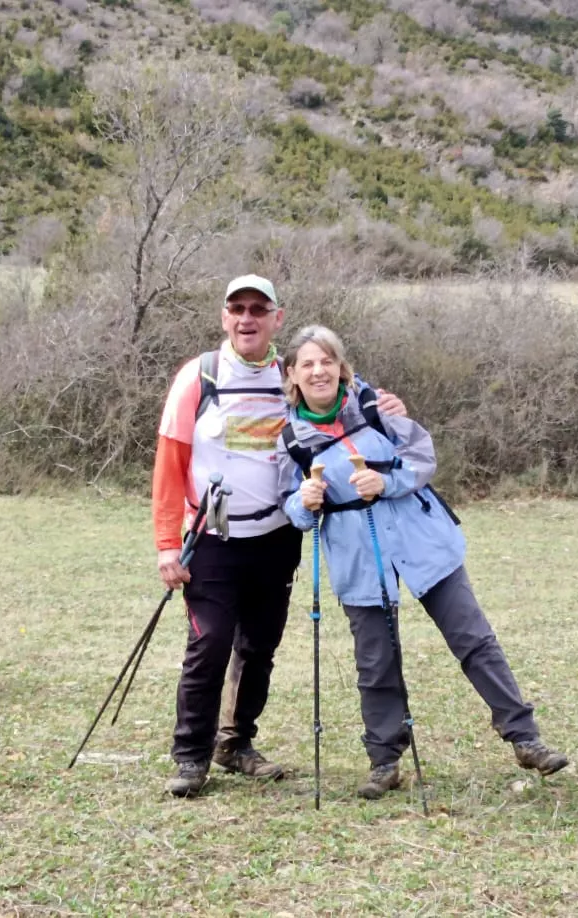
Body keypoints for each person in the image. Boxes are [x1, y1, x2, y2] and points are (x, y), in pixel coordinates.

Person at [277, 325, 570, 799]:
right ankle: (384, 760)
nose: (318, 371)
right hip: (357, 556)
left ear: (340, 367)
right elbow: (289, 507)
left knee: (473, 638)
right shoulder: (291, 438)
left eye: (327, 361)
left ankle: (525, 738)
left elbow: (421, 457)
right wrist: (303, 502)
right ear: (292, 374)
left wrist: (386, 483)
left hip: (422, 541)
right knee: (375, 662)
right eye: (307, 364)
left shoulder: (375, 407)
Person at [148, 274, 410, 798]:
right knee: (210, 643)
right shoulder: (198, 377)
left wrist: (390, 406)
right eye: (237, 308)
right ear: (224, 316)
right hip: (214, 536)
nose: (247, 318)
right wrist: (166, 545)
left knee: (259, 646)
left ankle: (235, 742)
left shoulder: (288, 374)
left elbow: (344, 398)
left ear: (276, 318)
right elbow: (170, 461)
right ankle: (191, 756)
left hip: (277, 535)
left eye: (258, 309)